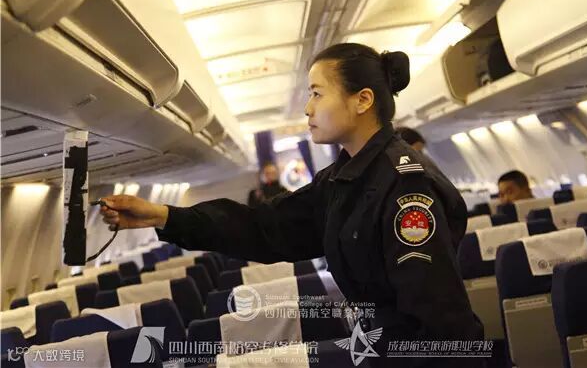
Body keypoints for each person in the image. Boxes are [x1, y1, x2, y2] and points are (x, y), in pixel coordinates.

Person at [98, 43, 483, 367]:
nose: (307, 108)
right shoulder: (343, 179)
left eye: (317, 93)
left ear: (362, 100)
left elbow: (440, 322)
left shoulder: (405, 189)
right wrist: (165, 216)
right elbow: (266, 227)